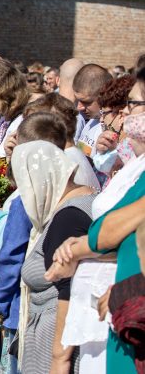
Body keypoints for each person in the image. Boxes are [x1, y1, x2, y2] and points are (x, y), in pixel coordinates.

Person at [46, 70, 145, 374]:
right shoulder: (137, 165)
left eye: (134, 103)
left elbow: (112, 229)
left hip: (132, 302)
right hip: (120, 302)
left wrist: (77, 249)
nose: (126, 112)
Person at [12, 140, 96, 374]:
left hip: (57, 347)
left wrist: (60, 359)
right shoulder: (85, 201)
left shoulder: (68, 217)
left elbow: (69, 289)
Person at [74, 64, 113, 158]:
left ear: (104, 96)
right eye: (78, 100)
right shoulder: (92, 119)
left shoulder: (113, 128)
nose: (79, 107)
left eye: (86, 102)